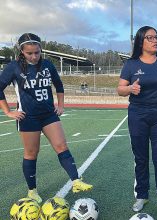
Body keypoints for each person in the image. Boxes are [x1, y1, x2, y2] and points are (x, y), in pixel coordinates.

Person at [0, 33, 93, 203]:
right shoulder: (13, 67)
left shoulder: (48, 65)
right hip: (28, 117)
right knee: (31, 152)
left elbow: (59, 85)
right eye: (30, 53)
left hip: (49, 114)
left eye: (37, 52)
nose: (34, 56)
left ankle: (76, 181)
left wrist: (61, 105)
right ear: (22, 51)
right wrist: (8, 112)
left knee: (62, 146)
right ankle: (32, 191)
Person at [117, 26, 157, 218]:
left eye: (156, 37)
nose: (155, 40)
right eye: (150, 37)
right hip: (138, 116)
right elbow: (120, 89)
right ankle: (142, 195)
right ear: (141, 41)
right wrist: (130, 89)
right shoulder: (131, 64)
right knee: (141, 159)